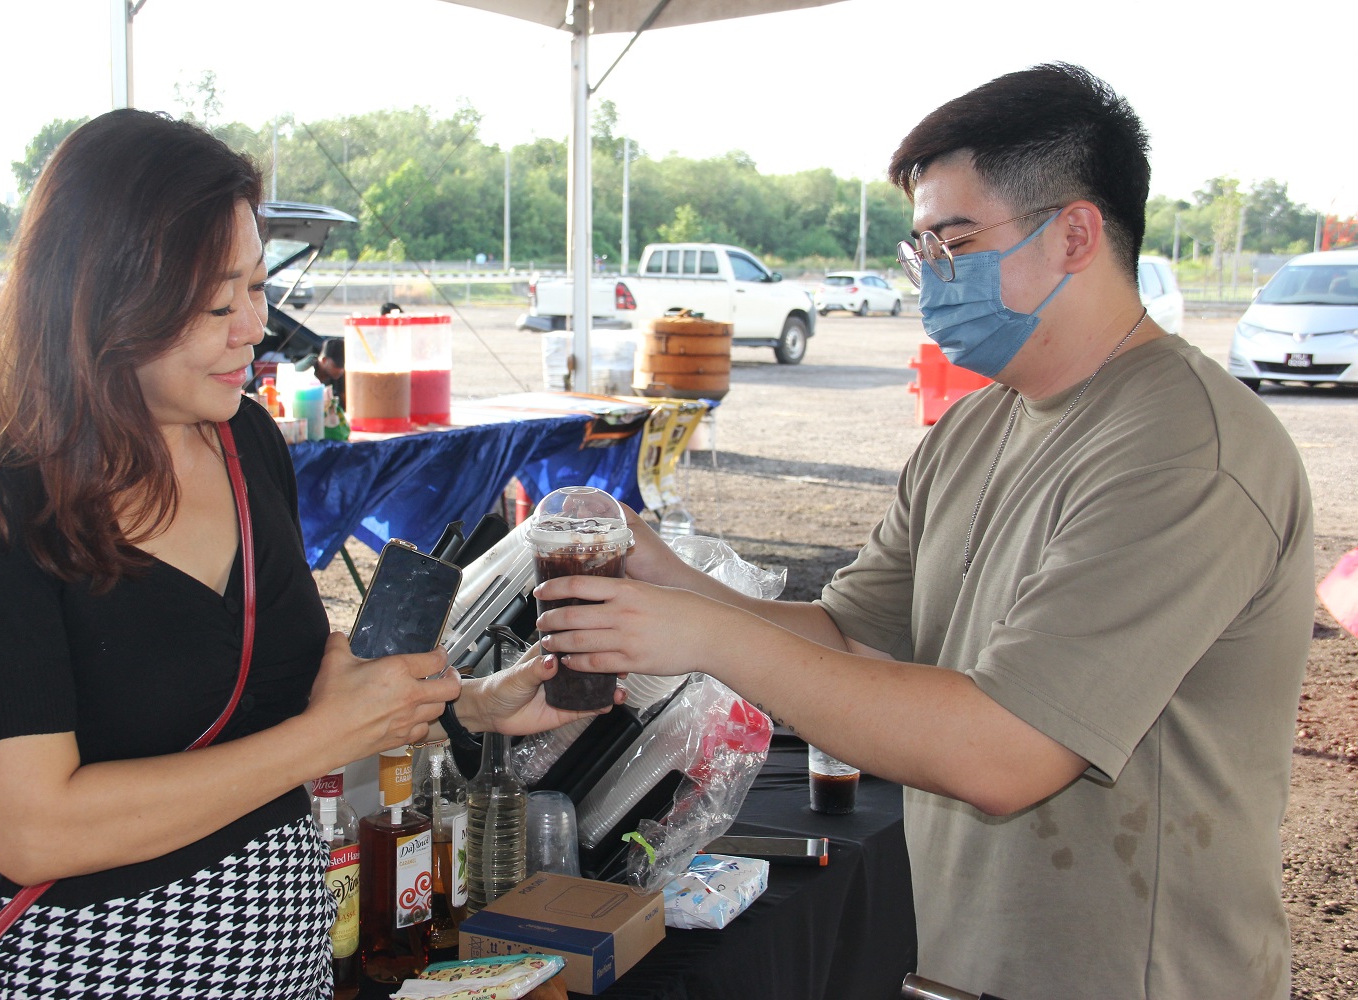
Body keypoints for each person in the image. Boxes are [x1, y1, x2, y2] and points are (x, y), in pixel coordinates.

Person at [534, 64, 1313, 1000]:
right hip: (962, 962)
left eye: (954, 241)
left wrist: (704, 636)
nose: (931, 277)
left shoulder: (1186, 449)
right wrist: (666, 579)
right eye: (920, 250)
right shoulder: (983, 424)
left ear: (1074, 233)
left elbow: (1006, 753)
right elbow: (855, 636)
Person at [0, 109, 594, 999]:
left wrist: (477, 706)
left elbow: (281, 716)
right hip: (96, 970)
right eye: (219, 302)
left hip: (283, 964)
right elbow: (32, 832)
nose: (255, 328)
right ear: (101, 300)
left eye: (259, 289)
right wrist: (320, 736)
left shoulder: (247, 445)